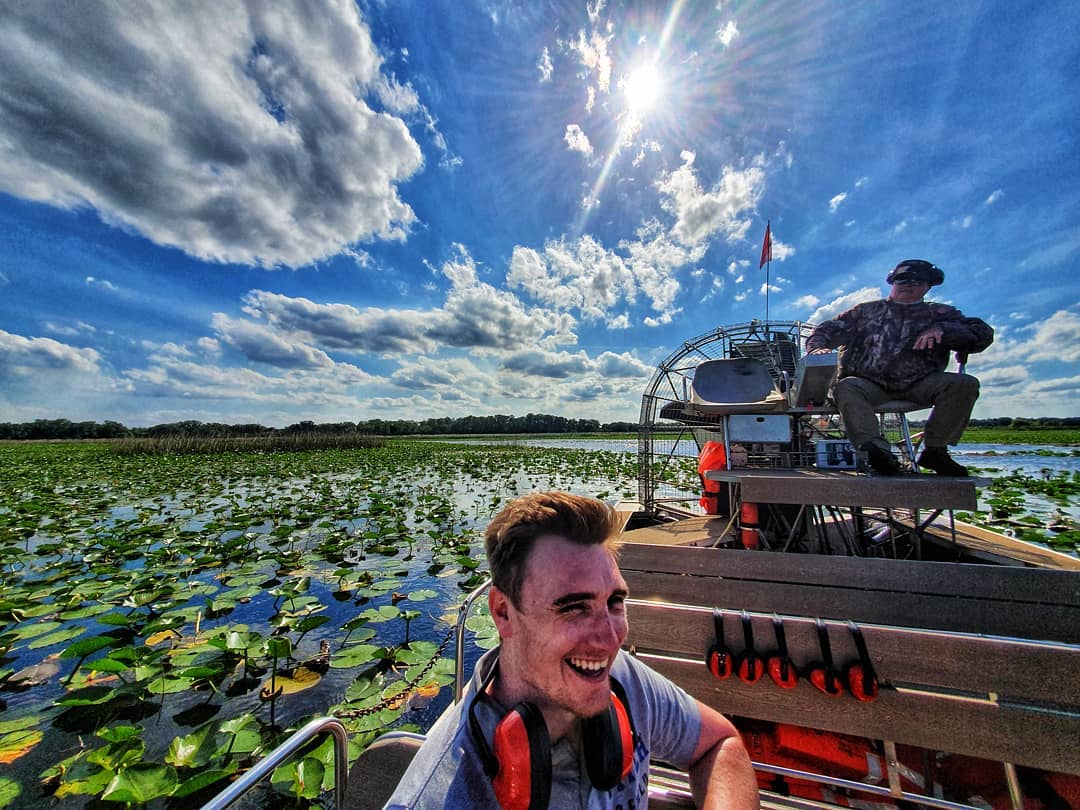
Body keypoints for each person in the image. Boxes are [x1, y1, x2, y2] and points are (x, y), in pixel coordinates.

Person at [386, 491, 759, 809]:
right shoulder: (447, 794)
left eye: (614, 602)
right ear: (503, 613)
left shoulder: (623, 678)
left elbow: (719, 743)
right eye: (573, 607)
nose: (609, 638)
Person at [806, 259, 994, 476]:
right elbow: (824, 331)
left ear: (928, 286)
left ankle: (936, 450)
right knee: (846, 387)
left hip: (920, 383)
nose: (909, 285)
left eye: (917, 281)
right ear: (892, 282)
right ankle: (876, 451)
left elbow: (982, 333)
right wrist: (816, 349)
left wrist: (944, 329)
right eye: (902, 280)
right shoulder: (866, 311)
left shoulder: (940, 314)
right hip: (868, 384)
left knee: (964, 384)